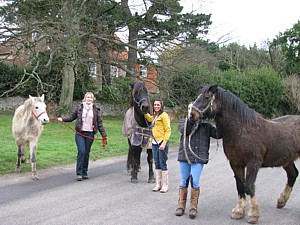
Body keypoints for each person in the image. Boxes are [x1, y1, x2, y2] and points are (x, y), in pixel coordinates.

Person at [175, 104, 222, 219]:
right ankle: (181, 206)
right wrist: (191, 120)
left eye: (193, 109)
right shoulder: (184, 122)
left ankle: (193, 207)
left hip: (198, 157)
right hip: (185, 156)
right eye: (189, 109)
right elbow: (185, 131)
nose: (191, 111)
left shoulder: (206, 125)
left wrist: (219, 120)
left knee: (195, 181)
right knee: (183, 180)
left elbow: (218, 135)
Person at [57, 92, 107, 181]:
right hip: (80, 133)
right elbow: (72, 117)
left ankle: (84, 172)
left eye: (91, 97)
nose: (89, 99)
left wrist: (104, 135)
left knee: (86, 153)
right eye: (87, 97)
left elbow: (99, 124)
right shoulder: (79, 108)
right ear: (85, 98)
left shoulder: (96, 110)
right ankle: (79, 173)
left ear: (93, 99)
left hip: (90, 134)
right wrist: (63, 119)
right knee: (81, 151)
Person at [144, 98, 171, 193]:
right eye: (155, 105)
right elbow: (150, 119)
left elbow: (168, 130)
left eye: (158, 105)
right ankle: (158, 184)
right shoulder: (155, 115)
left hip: (162, 142)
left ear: (161, 106)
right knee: (157, 163)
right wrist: (144, 113)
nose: (156, 106)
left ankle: (165, 185)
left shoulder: (164, 116)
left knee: (162, 163)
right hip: (154, 142)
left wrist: (164, 143)